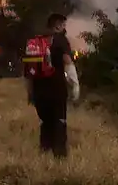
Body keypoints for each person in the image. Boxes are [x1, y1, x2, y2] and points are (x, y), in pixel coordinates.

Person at [23, 13, 80, 158]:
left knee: (45, 122)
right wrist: (75, 85)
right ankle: (59, 158)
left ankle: (44, 153)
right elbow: (67, 61)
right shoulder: (60, 40)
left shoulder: (35, 42)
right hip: (57, 89)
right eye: (63, 24)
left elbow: (28, 73)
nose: (64, 27)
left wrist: (30, 93)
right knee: (60, 120)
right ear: (57, 25)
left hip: (38, 90)